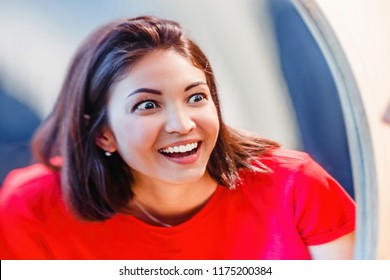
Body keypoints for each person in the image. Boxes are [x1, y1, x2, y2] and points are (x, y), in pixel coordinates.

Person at [0, 16, 355, 260]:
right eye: (148, 104)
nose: (182, 124)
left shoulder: (296, 185)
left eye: (196, 97)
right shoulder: (32, 207)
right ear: (104, 134)